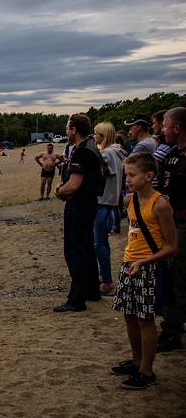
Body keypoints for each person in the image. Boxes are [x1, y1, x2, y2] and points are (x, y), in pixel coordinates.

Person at [110, 152, 176, 389]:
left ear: (148, 176)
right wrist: (132, 261)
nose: (127, 180)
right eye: (126, 175)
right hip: (129, 265)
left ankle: (147, 371)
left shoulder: (160, 204)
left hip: (148, 268)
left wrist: (144, 262)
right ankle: (137, 362)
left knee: (145, 319)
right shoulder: (130, 201)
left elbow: (171, 246)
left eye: (132, 175)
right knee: (129, 316)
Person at [52, 114, 103, 312]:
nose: (66, 131)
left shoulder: (83, 152)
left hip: (79, 205)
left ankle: (77, 298)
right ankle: (91, 290)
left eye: (67, 128)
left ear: (74, 130)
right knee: (87, 249)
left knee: (75, 251)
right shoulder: (92, 148)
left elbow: (74, 185)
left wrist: (59, 190)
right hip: (89, 205)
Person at [157, 106, 186, 352]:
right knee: (169, 275)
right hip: (170, 223)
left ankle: (174, 330)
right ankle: (172, 327)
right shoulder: (172, 153)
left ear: (177, 128)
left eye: (165, 126)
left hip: (183, 225)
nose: (162, 130)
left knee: (179, 277)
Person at [92, 122, 128, 296]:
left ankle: (107, 281)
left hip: (103, 200)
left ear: (103, 136)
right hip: (111, 200)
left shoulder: (107, 153)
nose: (94, 137)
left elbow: (103, 174)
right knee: (103, 242)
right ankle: (103, 275)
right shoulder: (118, 152)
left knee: (98, 243)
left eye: (96, 134)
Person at [151, 110, 172, 191]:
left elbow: (150, 162)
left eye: (154, 123)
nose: (152, 127)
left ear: (161, 125)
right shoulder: (161, 142)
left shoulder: (167, 145)